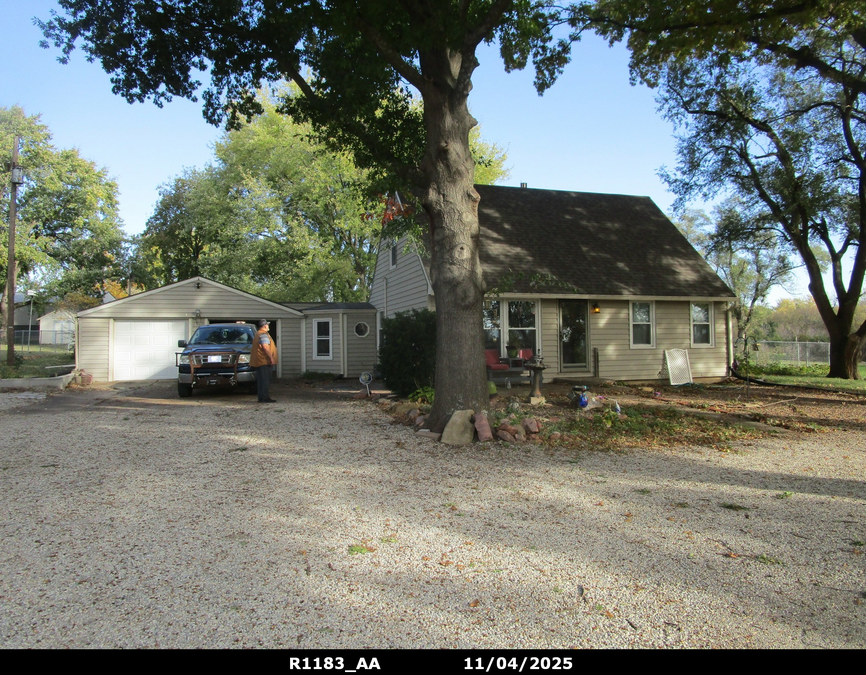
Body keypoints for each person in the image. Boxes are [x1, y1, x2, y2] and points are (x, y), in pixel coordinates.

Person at [250, 319, 277, 402]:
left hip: (259, 361)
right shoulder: (263, 334)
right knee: (265, 380)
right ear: (265, 326)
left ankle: (261, 397)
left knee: (261, 380)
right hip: (264, 361)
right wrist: (271, 358)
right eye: (267, 325)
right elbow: (265, 346)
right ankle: (265, 397)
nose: (268, 326)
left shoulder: (258, 334)